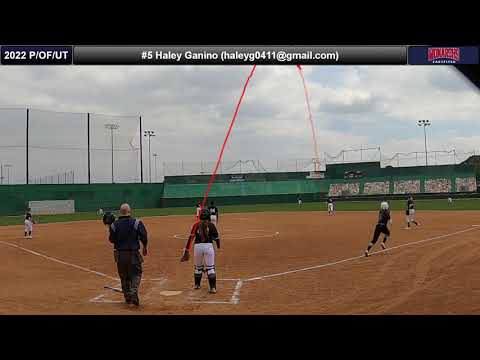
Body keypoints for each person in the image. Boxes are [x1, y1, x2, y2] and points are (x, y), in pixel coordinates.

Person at [108, 203, 148, 307]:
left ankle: (128, 297)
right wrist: (145, 247)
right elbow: (144, 236)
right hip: (133, 253)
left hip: (120, 255)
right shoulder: (137, 222)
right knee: (136, 274)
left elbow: (111, 240)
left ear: (120, 212)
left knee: (124, 276)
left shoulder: (114, 225)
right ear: (130, 211)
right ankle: (133, 292)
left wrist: (111, 227)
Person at [180, 208, 220, 293]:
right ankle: (213, 288)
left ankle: (197, 285)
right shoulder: (211, 225)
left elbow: (190, 238)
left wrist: (187, 250)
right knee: (210, 268)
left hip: (197, 247)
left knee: (198, 267)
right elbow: (217, 237)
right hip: (208, 246)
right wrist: (218, 246)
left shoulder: (196, 225)